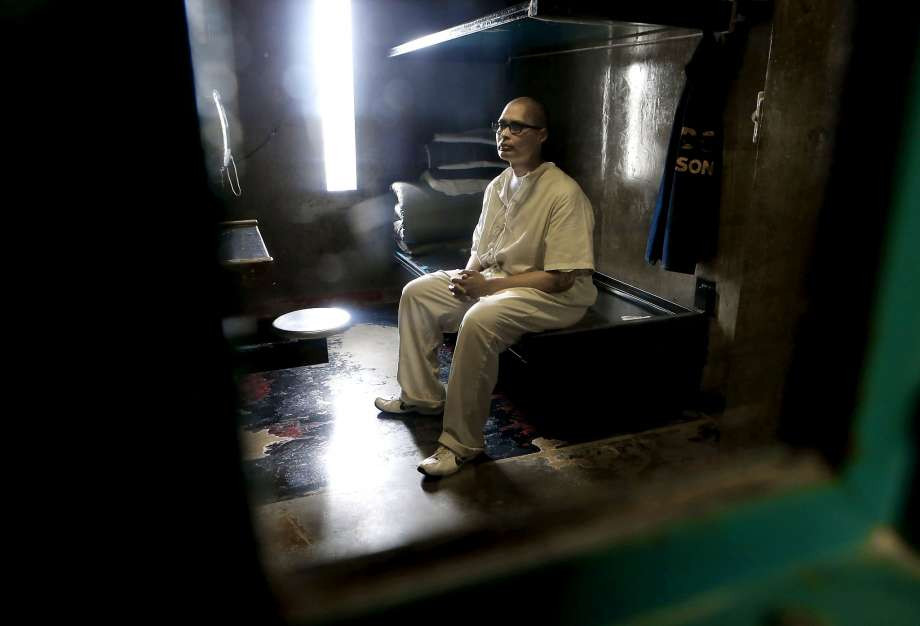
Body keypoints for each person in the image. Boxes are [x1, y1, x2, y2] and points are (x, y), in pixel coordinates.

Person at [375, 97, 597, 477]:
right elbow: (481, 250)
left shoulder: (564, 193)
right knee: (419, 293)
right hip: (500, 284)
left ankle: (461, 445)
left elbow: (561, 278)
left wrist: (488, 288)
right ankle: (422, 396)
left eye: (517, 127)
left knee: (478, 319)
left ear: (541, 135)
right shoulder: (498, 185)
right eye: (500, 125)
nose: (504, 134)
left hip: (553, 295)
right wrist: (466, 277)